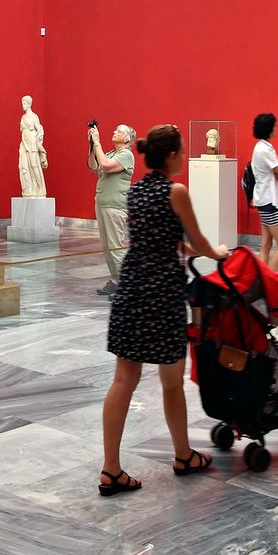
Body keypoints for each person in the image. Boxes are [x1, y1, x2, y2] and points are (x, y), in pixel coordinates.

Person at [99, 124, 234, 495]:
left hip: (132, 288)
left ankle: (110, 468)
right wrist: (216, 252)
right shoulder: (177, 192)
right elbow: (197, 239)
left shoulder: (138, 189)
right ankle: (182, 454)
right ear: (172, 156)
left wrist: (192, 250)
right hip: (161, 291)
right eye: (183, 151)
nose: (185, 156)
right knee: (171, 382)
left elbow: (157, 239)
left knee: (123, 379)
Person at [89, 123, 134, 297]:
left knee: (116, 246)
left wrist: (98, 142)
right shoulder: (110, 153)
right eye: (114, 129)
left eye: (119, 131)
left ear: (127, 138)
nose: (114, 132)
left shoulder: (126, 155)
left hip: (115, 206)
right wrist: (92, 145)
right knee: (107, 246)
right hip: (101, 203)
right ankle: (115, 281)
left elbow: (106, 166)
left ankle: (126, 286)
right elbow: (94, 166)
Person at [250, 112, 278, 269]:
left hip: (262, 200)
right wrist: (277, 162)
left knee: (266, 245)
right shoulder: (265, 150)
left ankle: (260, 280)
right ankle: (270, 280)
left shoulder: (260, 148)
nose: (276, 128)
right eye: (274, 126)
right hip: (268, 202)